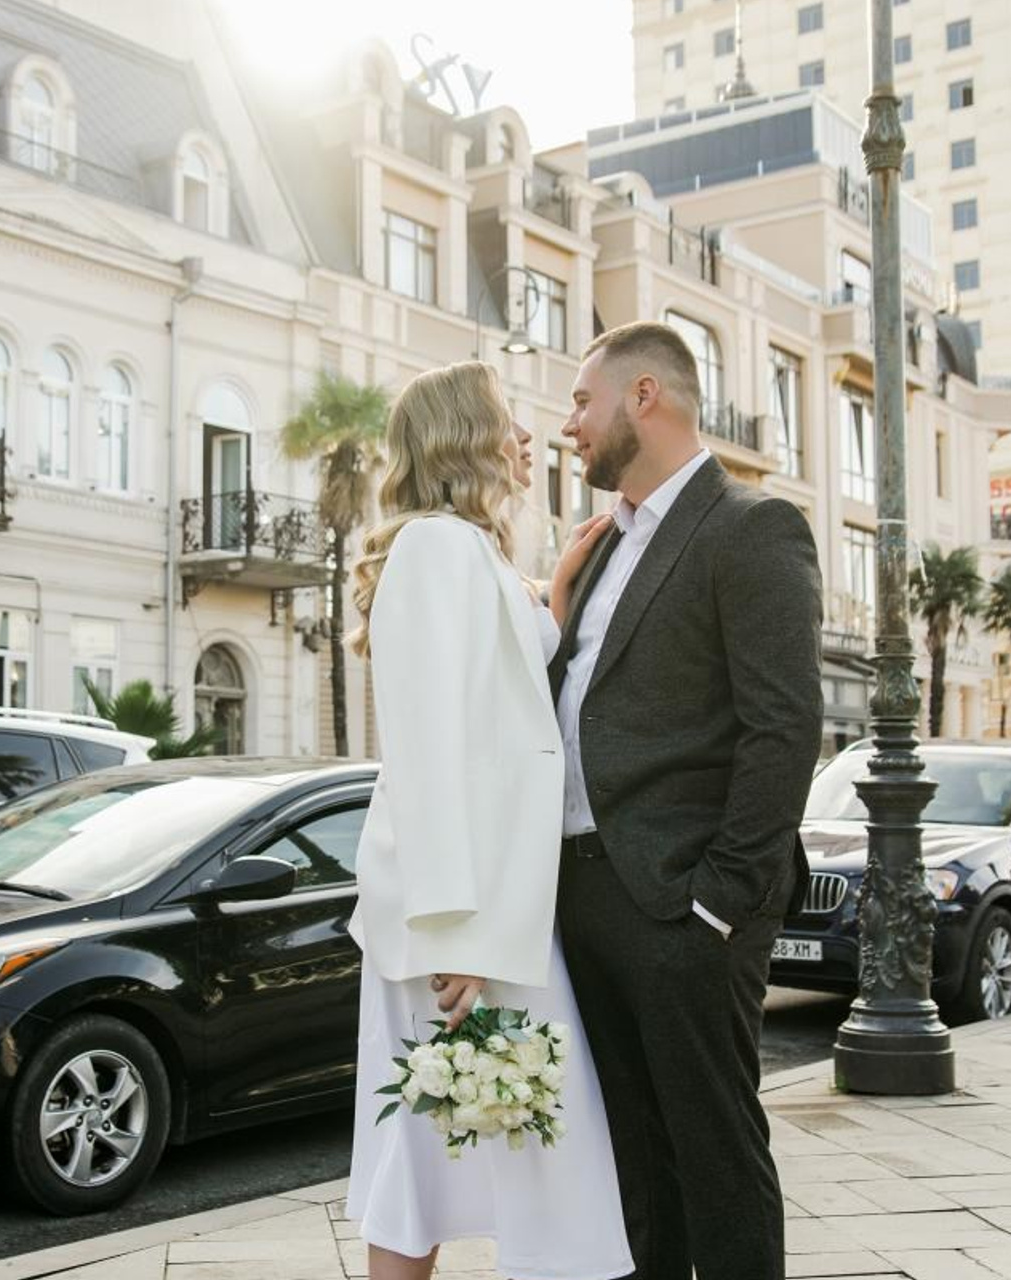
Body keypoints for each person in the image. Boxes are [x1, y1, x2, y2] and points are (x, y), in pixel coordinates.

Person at [345, 361, 632, 1280]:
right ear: (463, 436)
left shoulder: (473, 553)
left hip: (495, 904)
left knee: (460, 1141)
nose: (528, 438)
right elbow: (427, 751)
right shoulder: (433, 550)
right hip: (460, 917)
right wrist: (453, 930)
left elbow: (508, 699)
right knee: (501, 1149)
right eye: (510, 420)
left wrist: (550, 594)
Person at [549, 321, 824, 1280]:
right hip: (584, 894)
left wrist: (718, 898)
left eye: (584, 401)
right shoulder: (597, 550)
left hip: (683, 905)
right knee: (633, 1161)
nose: (570, 423)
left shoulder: (751, 527)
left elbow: (784, 727)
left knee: (712, 1151)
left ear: (645, 398)